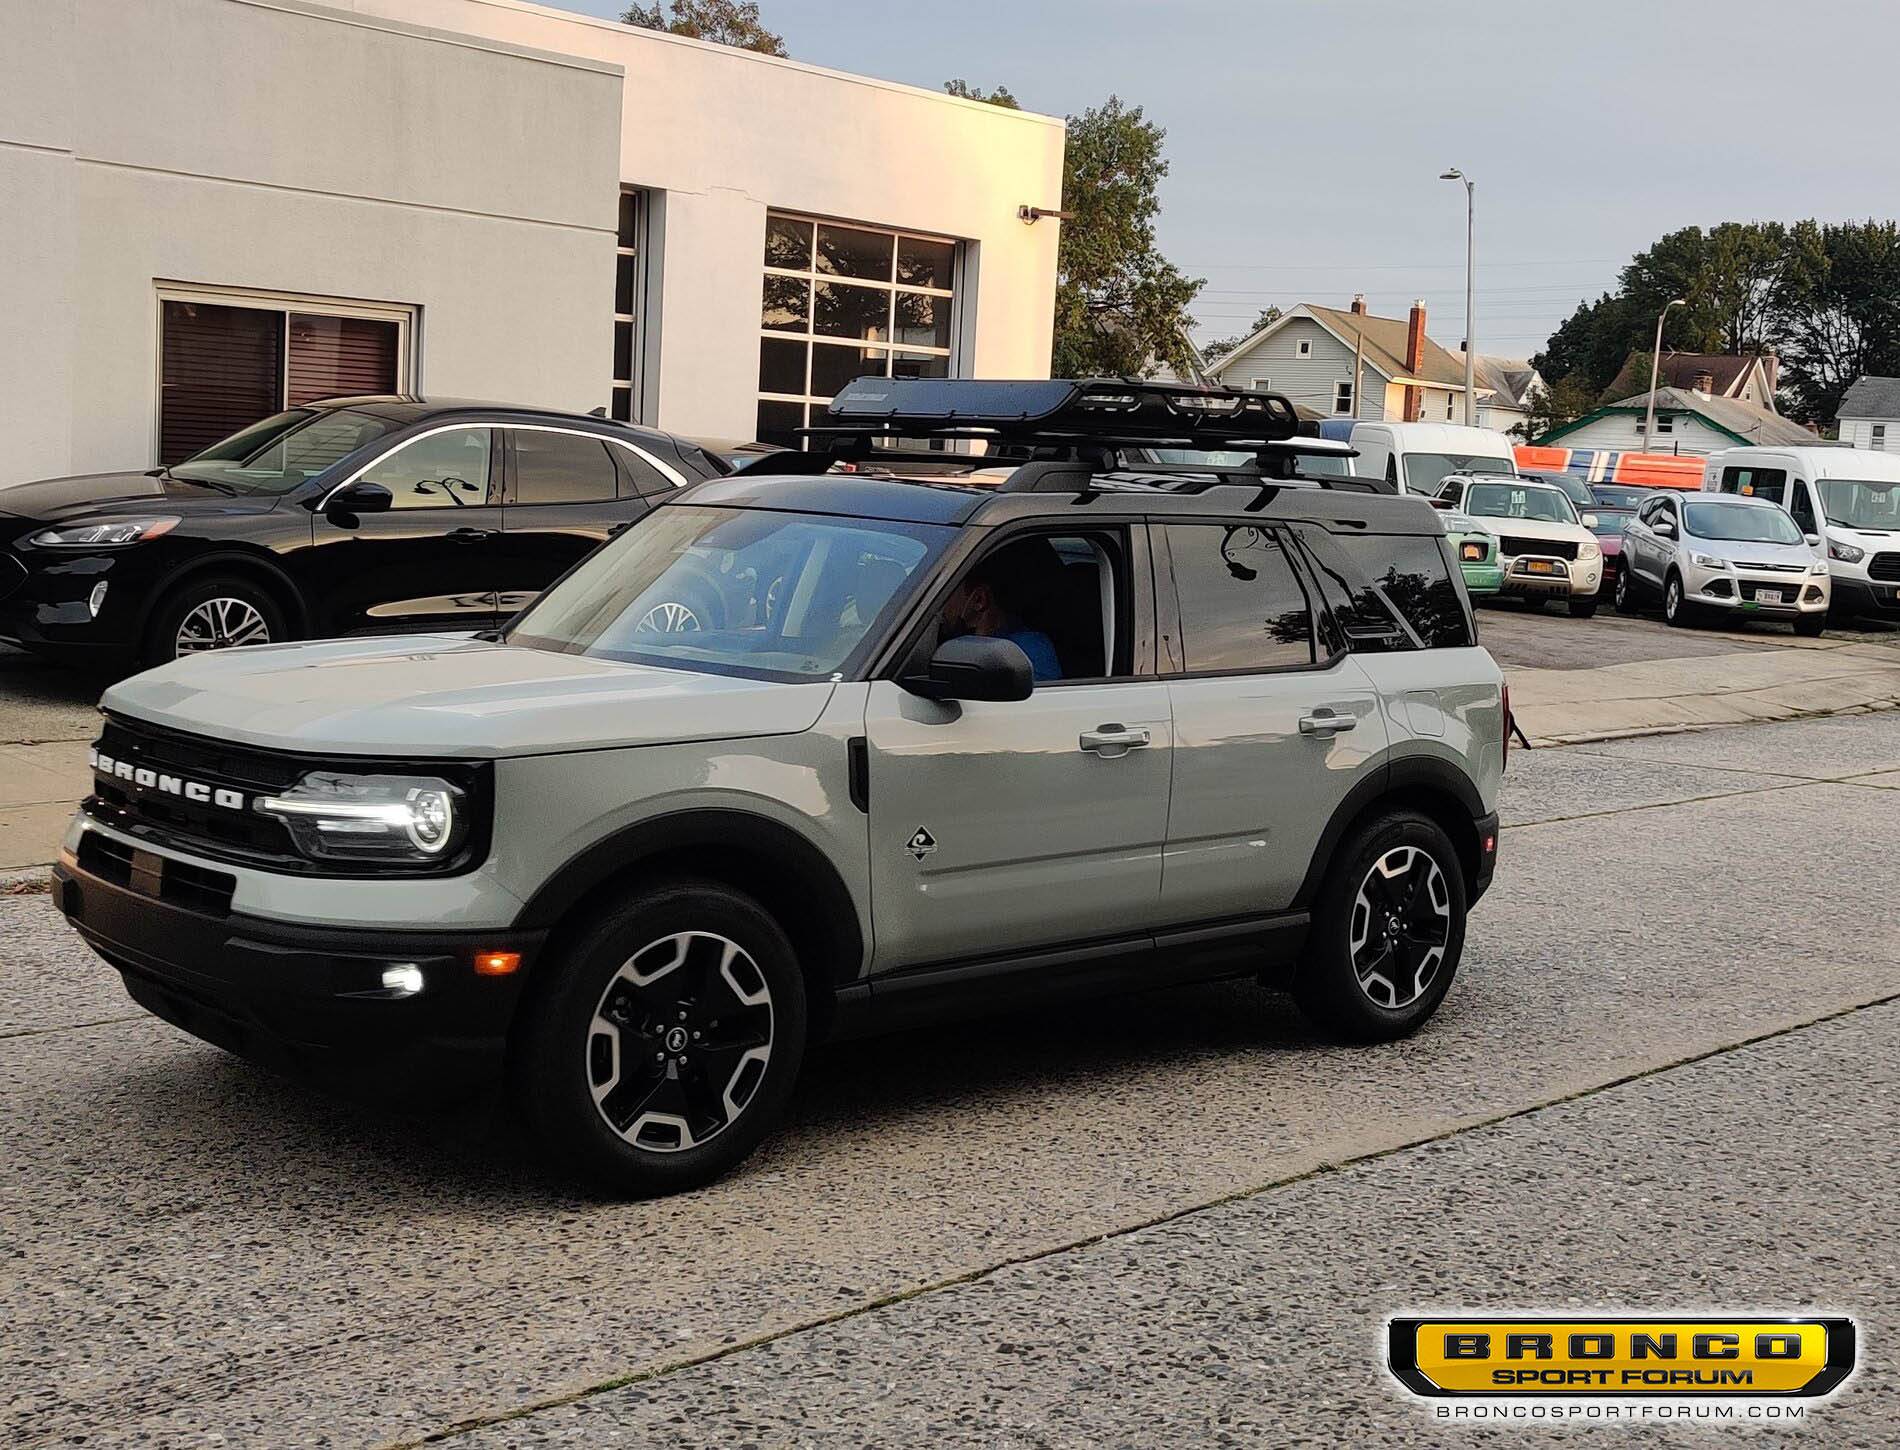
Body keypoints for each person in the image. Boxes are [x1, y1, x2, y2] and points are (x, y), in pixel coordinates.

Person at [939, 547, 1063, 682]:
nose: (940, 604)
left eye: (946, 592)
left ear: (979, 599)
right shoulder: (955, 638)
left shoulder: (1028, 648)